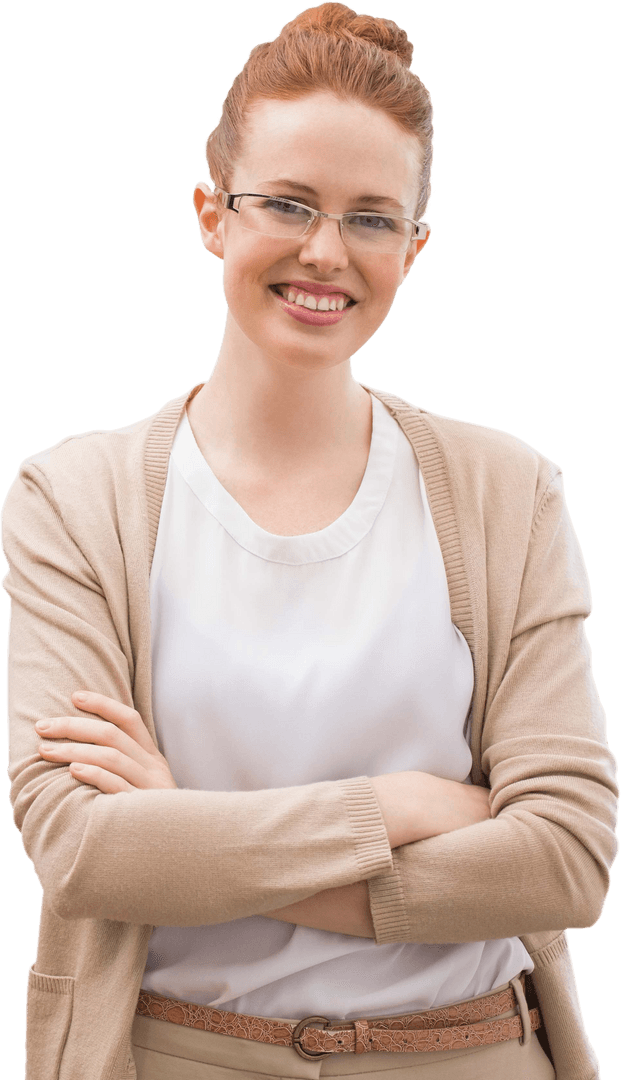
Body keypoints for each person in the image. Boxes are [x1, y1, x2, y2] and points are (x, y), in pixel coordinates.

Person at [1, 3, 618, 1078]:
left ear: (416, 247)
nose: (325, 252)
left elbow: (565, 861)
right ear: (211, 215)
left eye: (373, 218)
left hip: (471, 1058)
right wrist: (403, 807)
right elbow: (85, 847)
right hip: (176, 1057)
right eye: (287, 203)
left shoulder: (509, 491)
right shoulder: (73, 497)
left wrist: (189, 835)